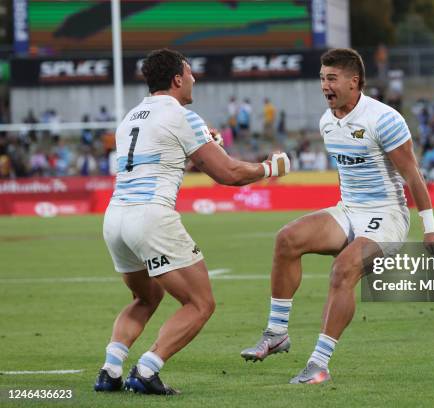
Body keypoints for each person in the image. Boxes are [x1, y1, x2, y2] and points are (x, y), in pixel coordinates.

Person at [94, 49, 291, 395]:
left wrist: (199, 148)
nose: (194, 78)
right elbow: (228, 173)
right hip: (151, 217)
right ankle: (147, 369)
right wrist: (270, 168)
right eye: (190, 73)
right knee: (201, 304)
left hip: (115, 219)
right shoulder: (182, 114)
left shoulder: (131, 118)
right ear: (176, 79)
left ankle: (110, 369)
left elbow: (164, 159)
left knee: (146, 297)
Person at [240, 48, 434, 384]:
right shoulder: (326, 121)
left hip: (387, 216)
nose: (324, 86)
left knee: (342, 270)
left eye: (331, 78)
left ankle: (319, 364)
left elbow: (414, 176)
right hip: (349, 210)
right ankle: (276, 333)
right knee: (287, 239)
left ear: (354, 82)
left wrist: (430, 230)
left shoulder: (384, 119)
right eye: (322, 78)